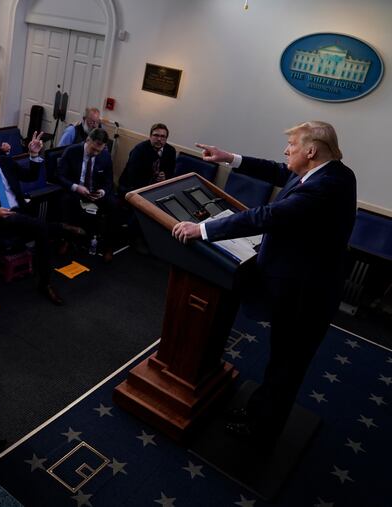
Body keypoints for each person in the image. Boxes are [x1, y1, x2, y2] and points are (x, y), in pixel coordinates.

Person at [171, 121, 357, 444]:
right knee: (280, 360)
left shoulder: (324, 188)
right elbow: (276, 171)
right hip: (303, 284)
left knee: (287, 365)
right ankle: (260, 410)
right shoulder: (333, 172)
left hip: (306, 295)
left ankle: (262, 432)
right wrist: (230, 158)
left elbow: (266, 217)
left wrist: (201, 230)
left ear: (311, 151)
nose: (286, 152)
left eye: (292, 147)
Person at [0, 130, 84, 305]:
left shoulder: (5, 161)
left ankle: (45, 283)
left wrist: (34, 155)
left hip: (21, 213)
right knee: (33, 225)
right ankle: (60, 229)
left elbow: (30, 176)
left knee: (41, 231)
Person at [57, 128, 118, 262]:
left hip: (95, 192)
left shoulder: (105, 156)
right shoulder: (72, 151)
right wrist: (76, 187)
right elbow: (60, 175)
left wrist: (102, 192)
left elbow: (109, 181)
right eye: (93, 149)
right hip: (76, 190)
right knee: (67, 200)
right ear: (88, 140)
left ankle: (108, 246)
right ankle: (66, 240)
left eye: (99, 150)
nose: (96, 153)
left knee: (114, 205)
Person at [118, 122, 176, 197]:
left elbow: (171, 171)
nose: (159, 139)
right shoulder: (139, 150)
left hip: (157, 186)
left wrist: (165, 176)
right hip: (132, 186)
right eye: (156, 135)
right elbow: (132, 175)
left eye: (162, 136)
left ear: (166, 139)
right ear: (150, 136)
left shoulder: (170, 151)